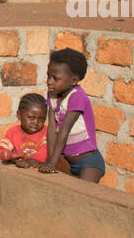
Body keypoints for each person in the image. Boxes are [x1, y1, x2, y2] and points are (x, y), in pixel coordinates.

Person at [42, 48, 105, 183]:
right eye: (48, 75)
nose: (49, 81)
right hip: (68, 162)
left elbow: (64, 129)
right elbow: (52, 129)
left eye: (55, 78)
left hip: (89, 162)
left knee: (84, 196)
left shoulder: (77, 97)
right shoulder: (52, 95)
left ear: (74, 80)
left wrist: (52, 163)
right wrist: (51, 160)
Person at [0, 93, 49, 169]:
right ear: (19, 115)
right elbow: (1, 150)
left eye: (41, 119)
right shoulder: (13, 132)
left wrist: (30, 159)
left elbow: (46, 152)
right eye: (31, 118)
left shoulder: (46, 132)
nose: (36, 122)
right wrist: (12, 157)